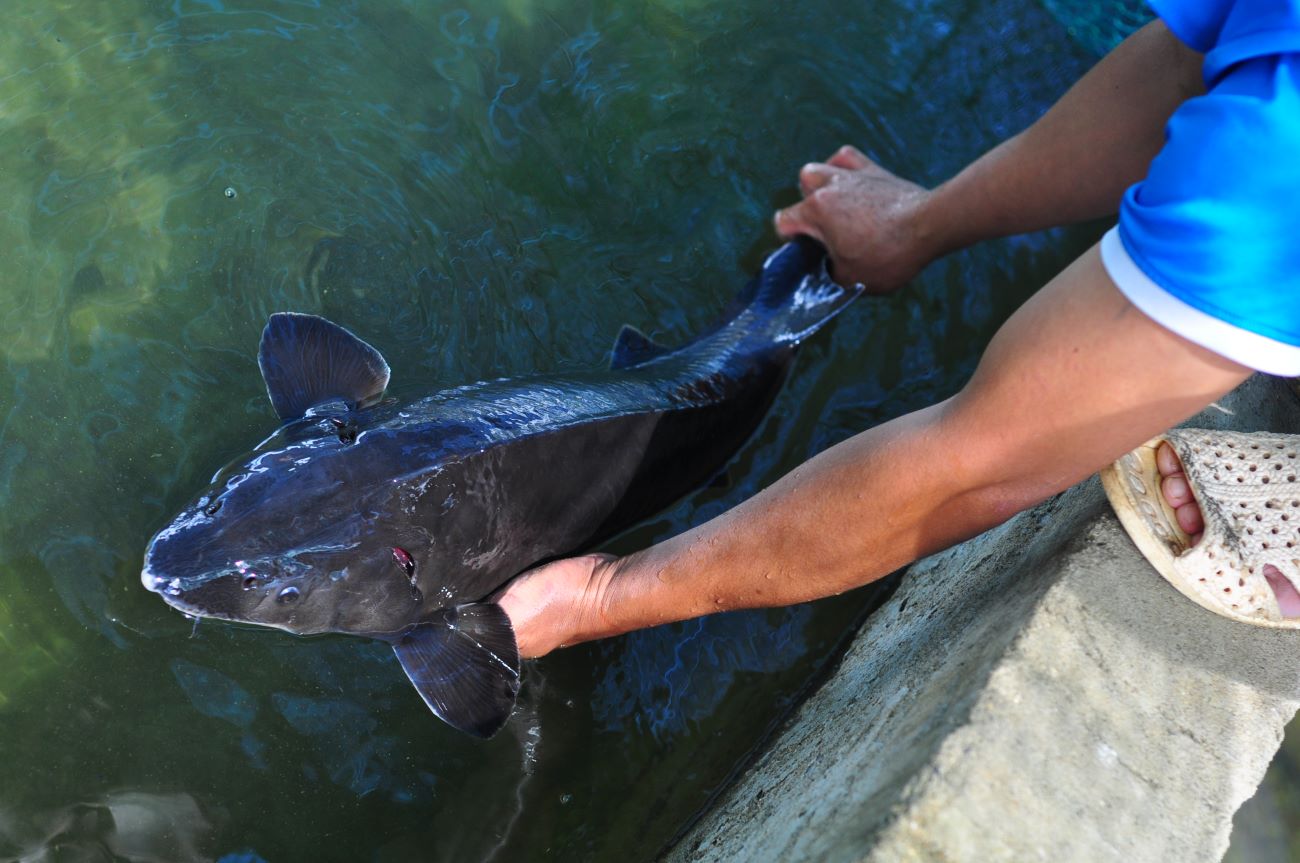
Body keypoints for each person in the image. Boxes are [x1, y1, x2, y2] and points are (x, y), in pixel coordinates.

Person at [499, 0, 1300, 655]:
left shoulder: (1270, 176)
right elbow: (1194, 57)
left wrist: (600, 597)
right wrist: (917, 224)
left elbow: (982, 464)